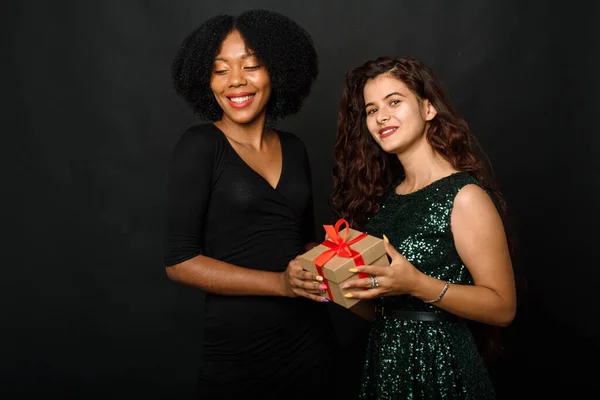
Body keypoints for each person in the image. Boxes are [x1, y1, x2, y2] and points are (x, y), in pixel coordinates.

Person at [164, 9, 333, 400]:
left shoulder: (294, 148)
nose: (236, 80)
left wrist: (346, 254)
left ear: (277, 71)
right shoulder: (200, 146)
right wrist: (280, 284)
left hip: (310, 344)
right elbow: (179, 261)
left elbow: (300, 243)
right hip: (239, 352)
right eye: (220, 70)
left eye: (251, 65)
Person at [331, 56, 517, 399]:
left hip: (441, 366)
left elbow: (503, 308)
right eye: (371, 110)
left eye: (394, 102)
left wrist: (416, 283)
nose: (381, 116)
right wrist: (333, 285)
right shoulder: (387, 199)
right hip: (386, 364)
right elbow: (384, 310)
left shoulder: (464, 196)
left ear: (428, 108)